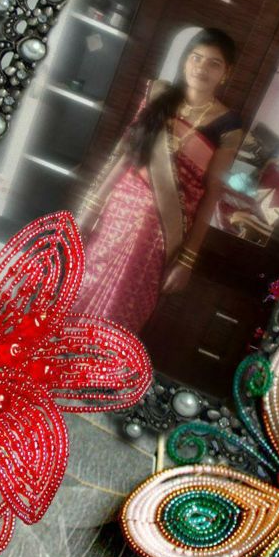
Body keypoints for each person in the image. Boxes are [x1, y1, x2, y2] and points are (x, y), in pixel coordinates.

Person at [74, 28, 243, 333]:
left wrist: (187, 260)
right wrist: (90, 207)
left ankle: (99, 361)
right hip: (117, 214)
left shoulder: (228, 126)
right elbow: (125, 153)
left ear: (226, 72)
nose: (202, 68)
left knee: (122, 306)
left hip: (164, 232)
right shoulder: (158, 94)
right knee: (83, 284)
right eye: (196, 58)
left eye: (214, 63)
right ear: (184, 60)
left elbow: (212, 193)